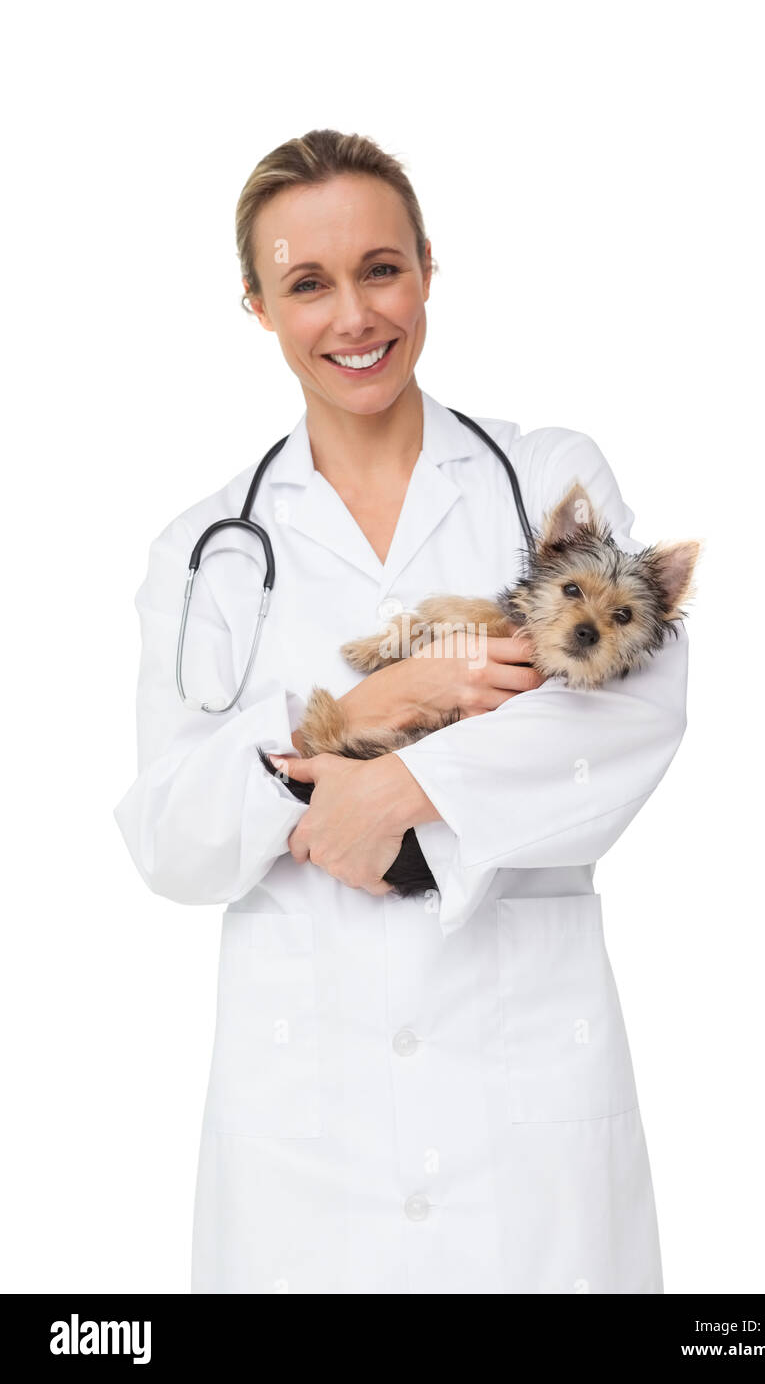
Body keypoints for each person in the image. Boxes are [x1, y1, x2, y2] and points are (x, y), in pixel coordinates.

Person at [113, 128, 690, 1294]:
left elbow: (633, 709)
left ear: (427, 266)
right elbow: (169, 835)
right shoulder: (209, 550)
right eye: (306, 284)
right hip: (304, 1133)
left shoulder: (545, 477)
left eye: (380, 268)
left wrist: (395, 789)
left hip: (523, 1114)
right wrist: (383, 698)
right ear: (256, 305)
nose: (353, 316)